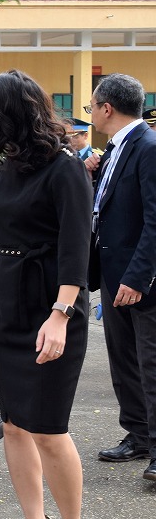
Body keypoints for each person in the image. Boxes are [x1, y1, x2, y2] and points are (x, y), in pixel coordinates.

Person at [0, 70, 92, 519]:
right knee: (15, 425)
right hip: (6, 306)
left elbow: (75, 249)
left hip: (52, 303)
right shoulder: (1, 171)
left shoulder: (65, 170)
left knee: (48, 428)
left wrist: (61, 314)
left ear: (9, 117)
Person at [87, 74, 156, 483]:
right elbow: (109, 209)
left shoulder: (147, 148)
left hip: (139, 279)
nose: (91, 113)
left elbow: (154, 220)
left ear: (107, 108)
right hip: (113, 273)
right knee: (124, 361)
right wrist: (94, 173)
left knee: (150, 364)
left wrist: (139, 276)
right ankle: (139, 433)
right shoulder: (115, 149)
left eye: (92, 106)